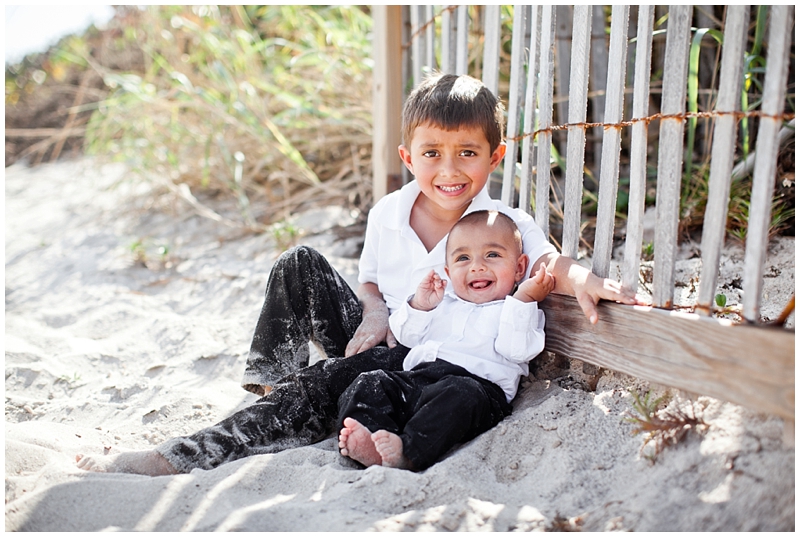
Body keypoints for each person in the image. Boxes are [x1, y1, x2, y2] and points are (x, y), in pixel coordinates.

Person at [76, 72, 637, 476]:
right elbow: (369, 280)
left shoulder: (501, 226)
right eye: (432, 153)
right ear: (407, 156)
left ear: (494, 157)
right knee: (298, 263)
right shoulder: (388, 213)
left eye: (467, 153)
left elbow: (544, 264)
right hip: (387, 324)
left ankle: (184, 456)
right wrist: (372, 308)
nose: (449, 169)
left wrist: (579, 276)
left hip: (422, 354)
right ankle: (276, 390)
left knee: (339, 378)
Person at [338, 210, 554, 471]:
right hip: (420, 380)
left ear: (520, 267)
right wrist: (420, 305)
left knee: (460, 393)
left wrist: (524, 301)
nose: (477, 266)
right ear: (449, 272)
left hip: (477, 389)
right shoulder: (444, 301)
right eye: (463, 258)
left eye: (492, 255)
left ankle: (407, 452)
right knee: (371, 381)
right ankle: (373, 437)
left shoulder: (514, 309)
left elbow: (518, 350)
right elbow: (407, 337)